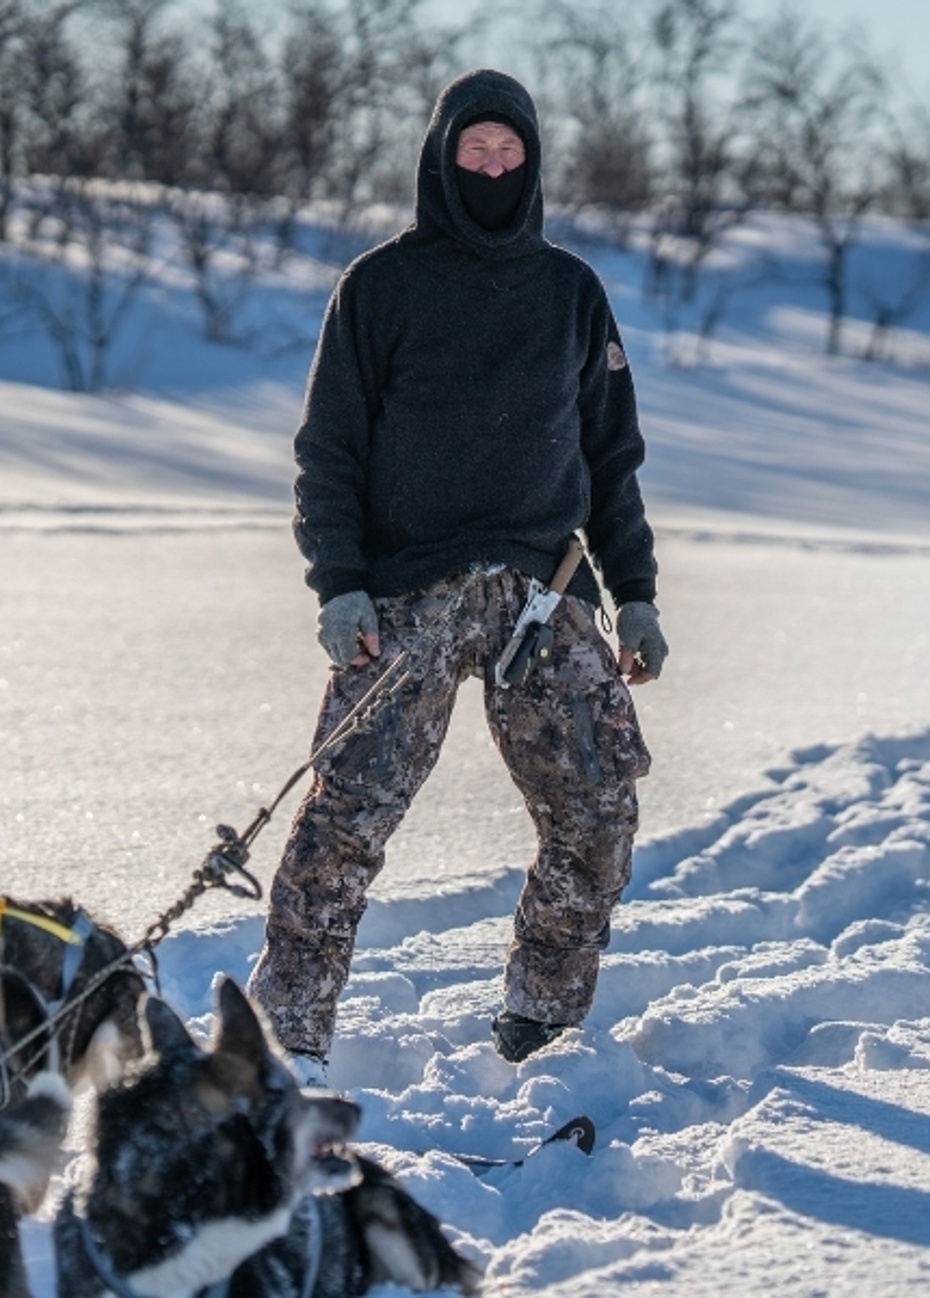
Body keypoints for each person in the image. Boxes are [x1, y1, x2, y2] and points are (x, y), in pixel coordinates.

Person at [246, 68, 668, 1071]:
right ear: (441, 158)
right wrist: (337, 581)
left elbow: (610, 458)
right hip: (406, 595)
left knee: (598, 806)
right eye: (472, 148)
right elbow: (329, 450)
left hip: (547, 587)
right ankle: (280, 1037)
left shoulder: (570, 291)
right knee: (343, 820)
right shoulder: (381, 285)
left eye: (505, 149)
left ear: (529, 161)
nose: (489, 164)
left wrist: (636, 592)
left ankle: (543, 1016)